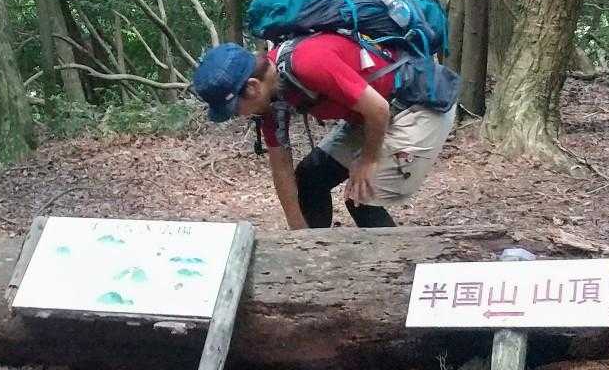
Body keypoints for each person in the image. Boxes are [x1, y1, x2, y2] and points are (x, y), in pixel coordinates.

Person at [191, 35, 456, 230]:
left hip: (417, 106)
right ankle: (319, 258)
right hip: (371, 115)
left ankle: (399, 273)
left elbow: (378, 110)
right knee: (310, 177)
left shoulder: (309, 62)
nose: (239, 115)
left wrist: (368, 160)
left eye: (235, 109)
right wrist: (301, 235)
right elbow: (281, 169)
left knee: (361, 196)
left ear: (251, 87)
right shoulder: (271, 99)